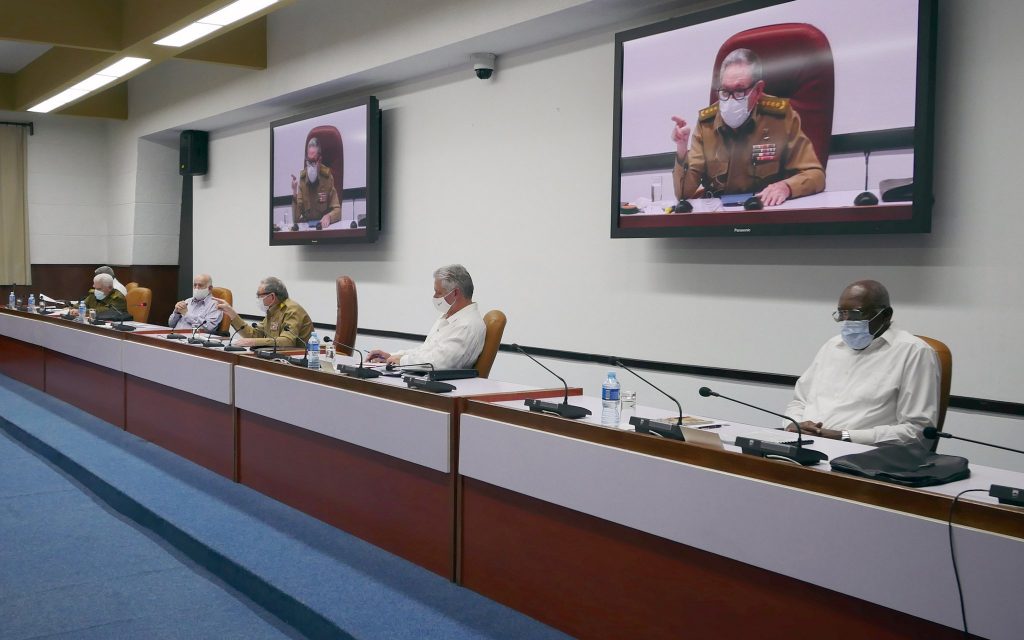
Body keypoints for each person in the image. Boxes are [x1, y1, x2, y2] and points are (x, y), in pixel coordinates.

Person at [784, 280, 940, 448]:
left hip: (863, 456)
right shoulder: (832, 346)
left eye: (856, 314)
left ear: (886, 315)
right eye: (842, 314)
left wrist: (843, 436)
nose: (847, 321)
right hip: (804, 444)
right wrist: (794, 424)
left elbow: (917, 431)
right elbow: (799, 402)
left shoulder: (914, 352)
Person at [670, 48, 825, 207]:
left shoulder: (781, 118)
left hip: (766, 213)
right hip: (719, 217)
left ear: (758, 90)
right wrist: (682, 147)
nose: (730, 100)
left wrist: (786, 187)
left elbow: (815, 175)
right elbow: (683, 193)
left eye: (739, 91)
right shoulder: (706, 124)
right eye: (725, 91)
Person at [367, 264, 486, 369]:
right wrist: (392, 356)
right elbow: (425, 351)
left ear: (455, 293)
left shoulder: (467, 325)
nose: (435, 296)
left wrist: (401, 361)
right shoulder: (448, 316)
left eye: (438, 292)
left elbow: (438, 363)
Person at [215, 277, 312, 348]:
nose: (258, 299)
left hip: (299, 360)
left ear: (272, 297)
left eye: (259, 295)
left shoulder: (292, 310)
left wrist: (254, 342)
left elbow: (287, 341)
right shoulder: (273, 310)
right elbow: (254, 335)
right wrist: (232, 314)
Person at [291, 137, 341, 228]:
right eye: (308, 161)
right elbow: (296, 218)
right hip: (308, 231)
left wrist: (329, 216)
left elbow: (337, 210)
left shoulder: (327, 178)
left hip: (324, 228)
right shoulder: (302, 179)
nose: (310, 165)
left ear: (320, 160)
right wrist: (294, 193)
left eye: (313, 161)